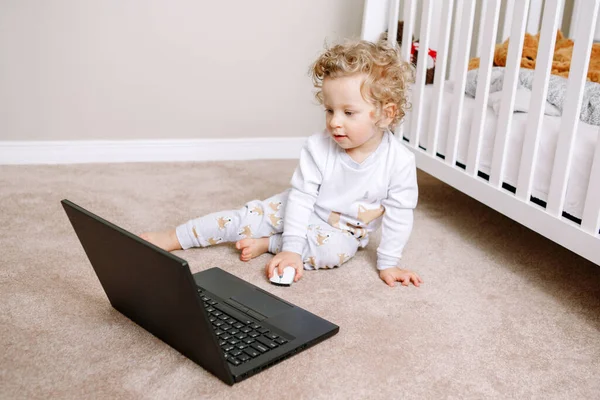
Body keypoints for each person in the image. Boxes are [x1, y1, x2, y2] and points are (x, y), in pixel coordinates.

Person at [141, 39, 422, 288]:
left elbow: (399, 215)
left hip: (342, 230)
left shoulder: (399, 162)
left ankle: (270, 244)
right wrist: (293, 246)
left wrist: (388, 263)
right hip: (304, 205)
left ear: (386, 114)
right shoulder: (318, 146)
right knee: (243, 219)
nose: (335, 121)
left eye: (348, 112)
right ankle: (174, 237)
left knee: (335, 251)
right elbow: (301, 198)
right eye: (329, 110)